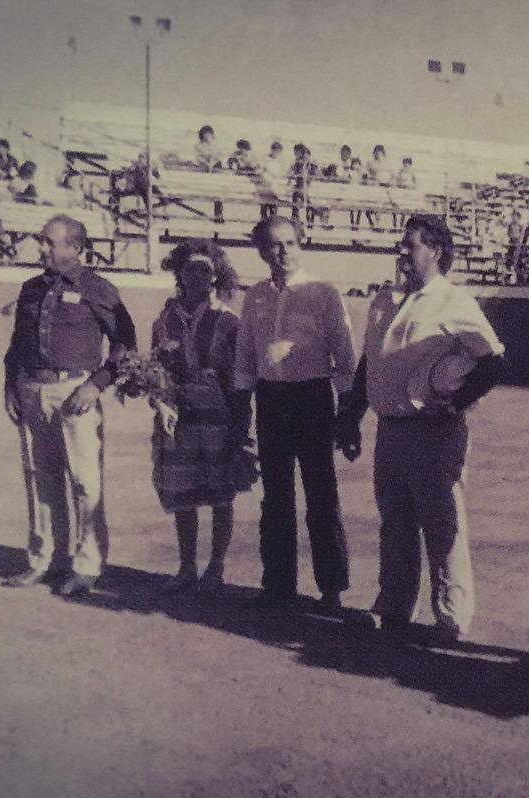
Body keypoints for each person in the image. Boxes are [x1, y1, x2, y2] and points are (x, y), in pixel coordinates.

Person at [338, 215, 505, 641]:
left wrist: (456, 403)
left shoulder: (454, 301)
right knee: (394, 521)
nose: (403, 253)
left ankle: (451, 617)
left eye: (410, 246)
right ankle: (395, 605)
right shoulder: (385, 298)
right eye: (402, 245)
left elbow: (493, 360)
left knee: (442, 523)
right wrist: (352, 415)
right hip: (389, 429)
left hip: (434, 431)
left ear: (437, 251)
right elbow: (369, 362)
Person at [1, 215, 137, 597]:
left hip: (75, 392)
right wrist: (10, 385)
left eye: (49, 242)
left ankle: (88, 565)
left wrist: (96, 385)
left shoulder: (100, 289)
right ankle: (45, 560)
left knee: (83, 482)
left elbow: (125, 344)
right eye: (41, 241)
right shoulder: (30, 289)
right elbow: (16, 344)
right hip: (31, 390)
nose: (42, 248)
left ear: (75, 248)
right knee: (39, 479)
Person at [231, 217, 358, 611]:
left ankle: (332, 589)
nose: (282, 252)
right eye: (273, 245)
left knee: (321, 495)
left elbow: (345, 359)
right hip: (270, 402)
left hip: (313, 400)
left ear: (301, 244)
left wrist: (348, 416)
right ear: (262, 251)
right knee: (276, 497)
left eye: (289, 243)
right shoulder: (254, 297)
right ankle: (278, 585)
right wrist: (240, 415)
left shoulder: (323, 294)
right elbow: (245, 361)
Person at [151, 240, 246, 595]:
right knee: (182, 491)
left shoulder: (228, 320)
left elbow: (240, 376)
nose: (198, 276)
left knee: (221, 492)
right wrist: (160, 400)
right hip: (178, 413)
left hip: (217, 413)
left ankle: (216, 567)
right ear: (180, 273)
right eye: (191, 268)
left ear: (215, 274)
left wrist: (239, 423)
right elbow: (156, 367)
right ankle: (187, 565)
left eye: (205, 269)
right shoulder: (165, 319)